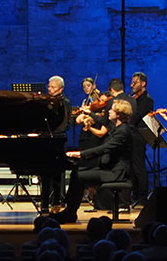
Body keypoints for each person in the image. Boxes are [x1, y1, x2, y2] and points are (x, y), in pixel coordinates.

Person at [55, 98, 135, 224]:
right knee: (76, 173)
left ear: (119, 114)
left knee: (79, 176)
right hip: (110, 169)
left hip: (116, 173)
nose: (108, 112)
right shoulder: (117, 128)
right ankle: (70, 211)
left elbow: (104, 148)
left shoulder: (123, 131)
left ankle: (70, 212)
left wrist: (80, 154)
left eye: (112, 110)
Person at [39, 75, 72, 214]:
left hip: (58, 139)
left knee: (57, 174)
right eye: (49, 86)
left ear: (61, 89)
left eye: (53, 87)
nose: (49, 89)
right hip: (46, 139)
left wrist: (53, 130)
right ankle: (44, 205)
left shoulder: (65, 102)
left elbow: (65, 123)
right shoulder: (47, 101)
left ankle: (56, 202)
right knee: (45, 174)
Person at [129, 71, 154, 201]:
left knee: (138, 166)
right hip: (131, 135)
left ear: (143, 83)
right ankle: (134, 193)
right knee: (132, 167)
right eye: (132, 82)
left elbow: (137, 116)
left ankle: (142, 195)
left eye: (135, 82)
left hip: (139, 135)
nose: (132, 85)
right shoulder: (134, 98)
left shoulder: (147, 100)